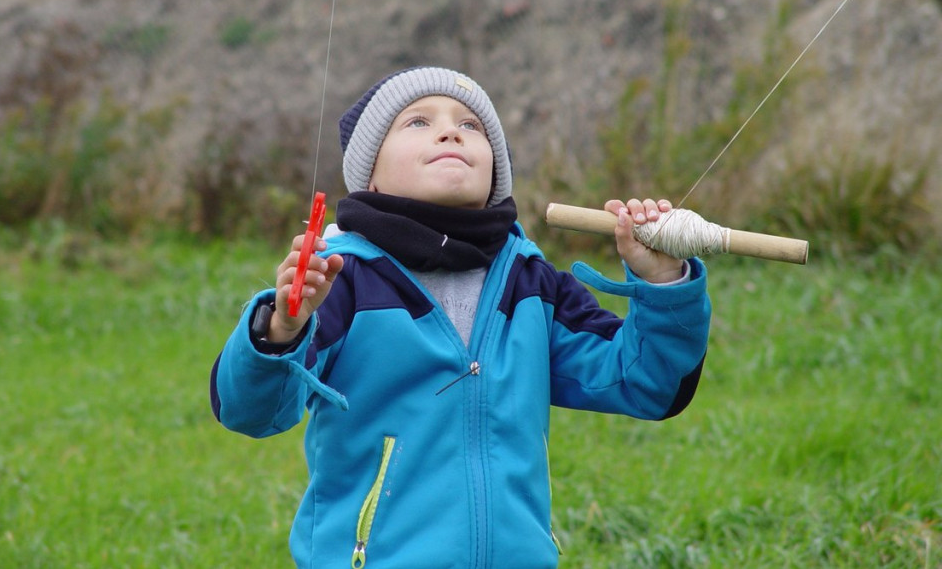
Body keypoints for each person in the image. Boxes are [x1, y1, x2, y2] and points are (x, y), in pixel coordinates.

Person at [210, 66, 711, 569]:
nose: (451, 131)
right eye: (417, 122)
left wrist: (663, 282)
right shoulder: (340, 279)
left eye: (472, 126)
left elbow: (648, 384)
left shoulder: (532, 284)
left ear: (495, 172)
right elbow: (250, 412)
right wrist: (281, 330)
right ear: (372, 175)